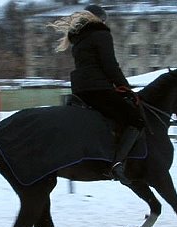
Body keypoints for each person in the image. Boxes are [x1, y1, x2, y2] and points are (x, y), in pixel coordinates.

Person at [48, 4, 143, 184]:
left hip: (80, 90)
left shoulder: (78, 40)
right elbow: (110, 65)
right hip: (98, 89)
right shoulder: (101, 34)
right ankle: (117, 164)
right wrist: (126, 87)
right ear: (99, 19)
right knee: (135, 119)